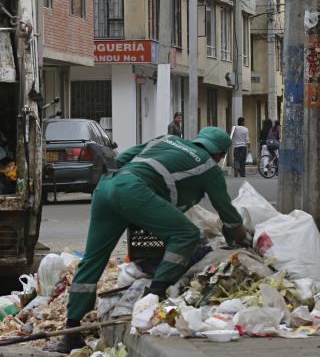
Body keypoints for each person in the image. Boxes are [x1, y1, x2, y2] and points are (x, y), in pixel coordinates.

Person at [46, 127, 249, 353]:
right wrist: (240, 237)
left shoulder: (167, 140)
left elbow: (121, 158)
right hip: (134, 192)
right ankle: (155, 295)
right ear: (220, 154)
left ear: (200, 141)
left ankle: (70, 332)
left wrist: (117, 187)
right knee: (187, 234)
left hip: (107, 187)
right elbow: (227, 213)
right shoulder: (210, 168)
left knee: (93, 259)